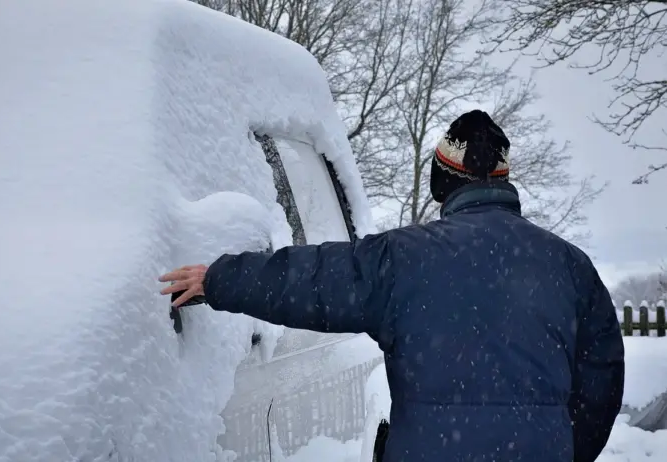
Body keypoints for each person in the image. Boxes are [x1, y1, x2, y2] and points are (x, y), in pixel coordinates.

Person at [159, 110, 625, 462]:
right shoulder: (570, 266)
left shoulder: (403, 258)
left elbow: (310, 279)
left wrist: (218, 279)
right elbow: (601, 383)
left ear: (442, 183)